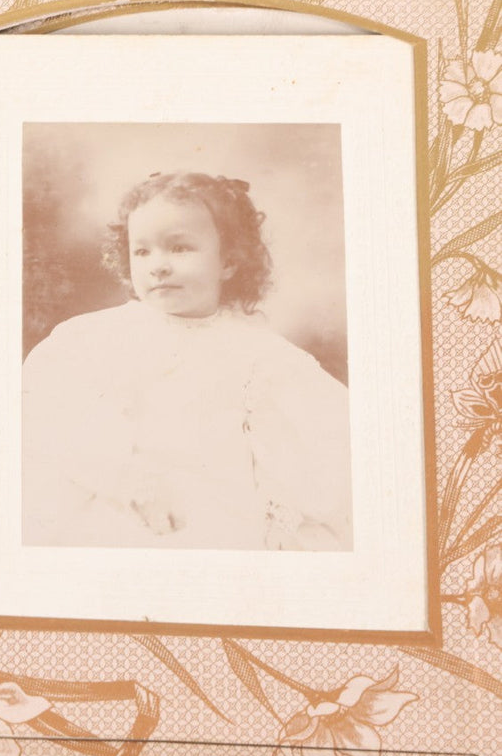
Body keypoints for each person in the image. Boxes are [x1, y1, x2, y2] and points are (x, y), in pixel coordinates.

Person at [20, 172, 351, 551]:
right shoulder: (94, 340)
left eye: (179, 248)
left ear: (229, 261)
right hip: (116, 508)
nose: (157, 265)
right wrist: (125, 479)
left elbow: (304, 453)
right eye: (142, 251)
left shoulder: (259, 355)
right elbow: (52, 421)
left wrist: (282, 518)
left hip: (220, 526)